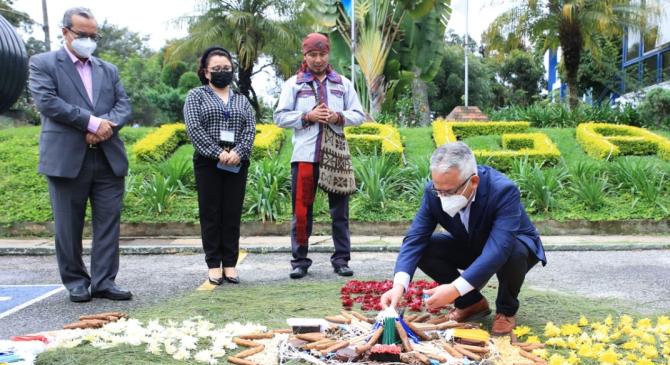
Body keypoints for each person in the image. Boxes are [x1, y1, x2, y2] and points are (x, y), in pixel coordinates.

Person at [380, 142, 547, 335]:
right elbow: (415, 238)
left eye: (450, 192)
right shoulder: (433, 193)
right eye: (438, 190)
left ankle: (506, 310)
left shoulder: (503, 191)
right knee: (425, 247)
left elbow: (499, 248)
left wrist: (454, 289)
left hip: (511, 247)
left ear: (473, 181)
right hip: (470, 244)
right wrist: (398, 287)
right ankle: (472, 304)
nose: (442, 197)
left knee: (514, 250)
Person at [28, 7, 132, 303]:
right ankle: (75, 281)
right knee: (67, 225)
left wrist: (105, 127)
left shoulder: (107, 69)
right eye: (82, 35)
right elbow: (48, 103)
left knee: (108, 224)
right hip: (66, 158)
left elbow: (123, 105)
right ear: (65, 32)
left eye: (93, 36)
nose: (88, 40)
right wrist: (91, 122)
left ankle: (104, 282)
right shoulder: (43, 63)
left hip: (107, 157)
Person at [274, 32, 365, 280]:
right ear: (304, 55)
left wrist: (338, 117)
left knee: (340, 212)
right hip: (305, 156)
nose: (317, 59)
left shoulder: (342, 83)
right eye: (312, 54)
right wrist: (307, 117)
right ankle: (300, 261)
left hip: (336, 156)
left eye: (322, 54)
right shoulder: (294, 84)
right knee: (302, 211)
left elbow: (359, 114)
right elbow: (280, 117)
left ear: (328, 54)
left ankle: (341, 259)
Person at [184, 46, 256, 285]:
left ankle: (230, 265)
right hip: (208, 163)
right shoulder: (196, 96)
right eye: (216, 69)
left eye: (226, 68)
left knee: (232, 213)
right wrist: (217, 152)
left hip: (237, 162)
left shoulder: (242, 100)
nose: (222, 72)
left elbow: (250, 129)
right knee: (211, 213)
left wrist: (238, 152)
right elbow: (194, 128)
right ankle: (214, 264)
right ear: (206, 72)